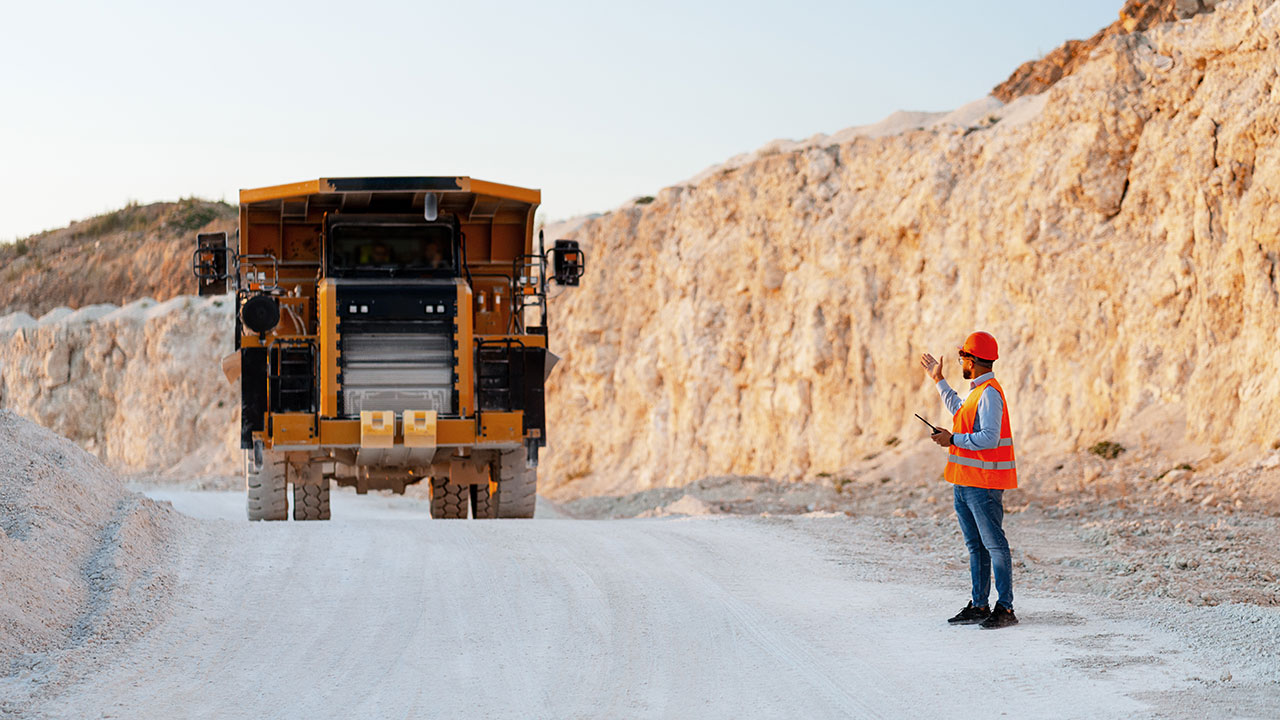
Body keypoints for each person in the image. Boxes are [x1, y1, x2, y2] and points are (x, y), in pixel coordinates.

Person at [919, 331, 1019, 630]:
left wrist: (952, 439)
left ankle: (1005, 608)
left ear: (971, 361)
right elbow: (959, 410)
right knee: (976, 546)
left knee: (994, 546)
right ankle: (979, 605)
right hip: (965, 482)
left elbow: (989, 438)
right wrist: (939, 380)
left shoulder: (989, 393)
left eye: (962, 357)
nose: (960, 362)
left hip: (983, 484)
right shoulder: (977, 392)